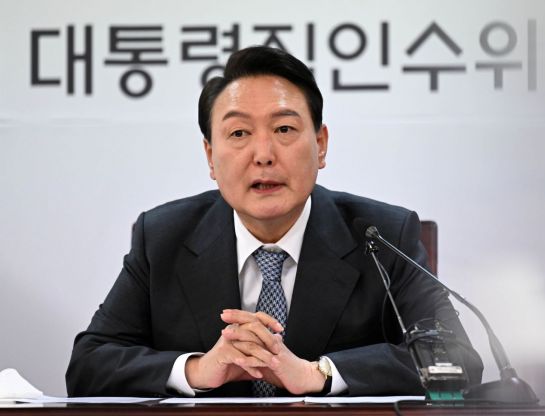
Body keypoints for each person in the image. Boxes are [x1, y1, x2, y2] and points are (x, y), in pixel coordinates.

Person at [66, 46, 483, 397]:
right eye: (239, 134)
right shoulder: (163, 237)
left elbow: (457, 359)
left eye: (284, 129)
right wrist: (197, 370)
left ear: (320, 144)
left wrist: (319, 374)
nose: (263, 155)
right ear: (210, 157)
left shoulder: (382, 235)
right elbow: (89, 364)